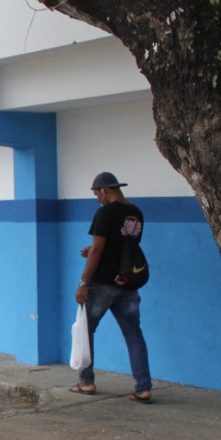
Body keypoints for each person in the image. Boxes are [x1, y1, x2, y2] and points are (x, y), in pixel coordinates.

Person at [71, 171, 152, 402]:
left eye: (97, 193)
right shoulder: (135, 213)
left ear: (105, 189)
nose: (97, 198)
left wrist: (84, 282)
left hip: (102, 283)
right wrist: (94, 247)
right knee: (134, 334)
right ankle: (143, 387)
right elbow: (125, 246)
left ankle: (86, 381)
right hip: (127, 282)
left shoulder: (104, 213)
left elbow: (99, 249)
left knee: (86, 330)